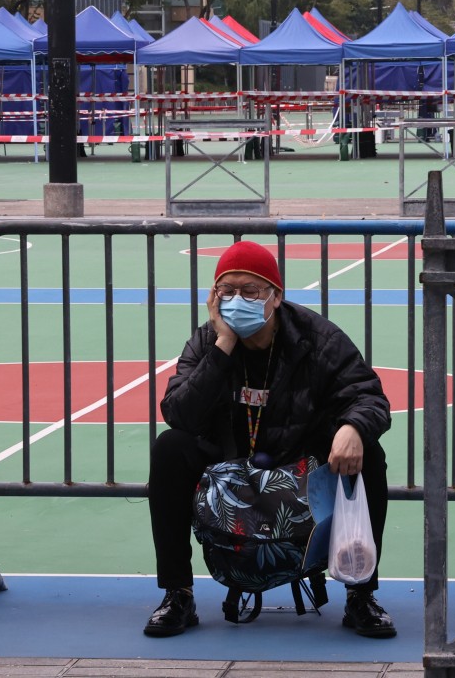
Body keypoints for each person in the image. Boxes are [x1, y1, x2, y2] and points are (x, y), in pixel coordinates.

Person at [144, 240, 396, 639]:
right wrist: (223, 347)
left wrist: (353, 428)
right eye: (226, 290)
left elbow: (369, 397)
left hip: (299, 458)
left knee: (369, 453)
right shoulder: (208, 342)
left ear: (275, 296)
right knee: (170, 448)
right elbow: (179, 413)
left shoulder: (318, 338)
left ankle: (361, 593)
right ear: (213, 297)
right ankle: (178, 594)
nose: (237, 300)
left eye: (250, 290)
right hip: (229, 459)